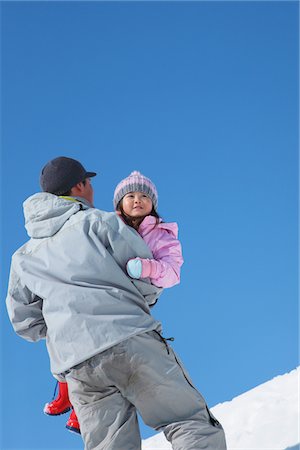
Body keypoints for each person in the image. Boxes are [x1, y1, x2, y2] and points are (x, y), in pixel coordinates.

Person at [6, 157, 227, 450]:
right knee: (187, 422)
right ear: (80, 185)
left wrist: (68, 326)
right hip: (129, 338)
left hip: (78, 365)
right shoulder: (100, 222)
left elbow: (24, 322)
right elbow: (145, 276)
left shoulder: (23, 257)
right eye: (89, 182)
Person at [44, 170, 184, 434]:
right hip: (105, 295)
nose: (137, 200)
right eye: (130, 195)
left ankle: (78, 402)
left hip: (133, 299)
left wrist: (145, 267)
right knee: (64, 325)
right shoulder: (105, 224)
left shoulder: (161, 234)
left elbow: (172, 273)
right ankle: (69, 394)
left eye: (144, 195)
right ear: (119, 202)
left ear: (153, 203)